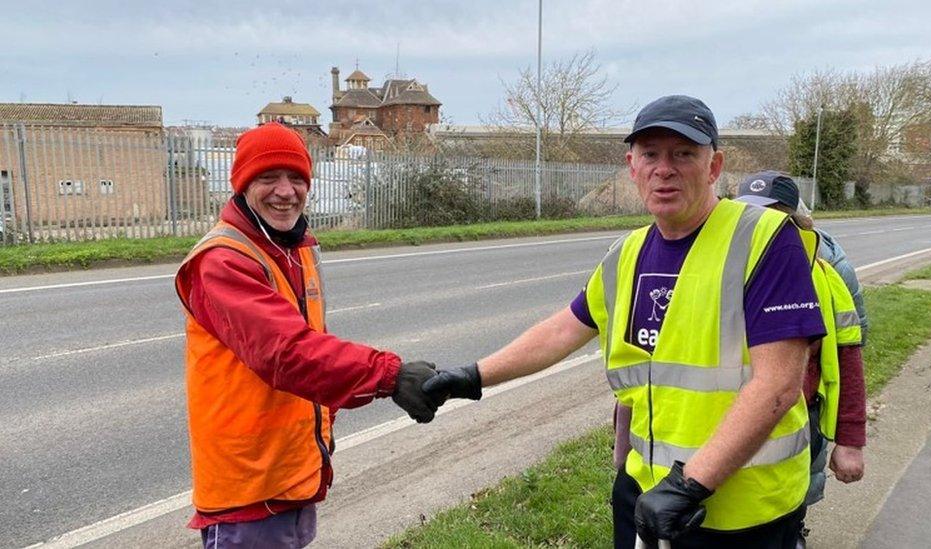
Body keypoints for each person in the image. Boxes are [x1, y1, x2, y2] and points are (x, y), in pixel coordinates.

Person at [424, 96, 827, 548]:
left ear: (714, 166)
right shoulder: (627, 253)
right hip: (646, 493)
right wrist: (473, 377)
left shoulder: (764, 239)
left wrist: (692, 483)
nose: (664, 168)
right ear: (631, 165)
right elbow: (564, 330)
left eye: (684, 154)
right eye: (650, 154)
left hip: (741, 512)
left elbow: (777, 385)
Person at [174, 122, 442, 549]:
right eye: (268, 178)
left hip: (290, 478)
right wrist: (390, 377)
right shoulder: (223, 260)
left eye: (297, 178)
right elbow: (286, 353)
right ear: (242, 184)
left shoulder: (292, 249)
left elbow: (313, 349)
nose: (286, 191)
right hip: (248, 489)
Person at [735, 171, 867, 548]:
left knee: (790, 507)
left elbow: (849, 364)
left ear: (796, 223)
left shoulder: (826, 277)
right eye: (749, 219)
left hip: (798, 421)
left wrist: (850, 441)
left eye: (774, 219)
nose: (759, 230)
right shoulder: (724, 274)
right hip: (732, 415)